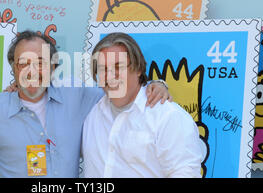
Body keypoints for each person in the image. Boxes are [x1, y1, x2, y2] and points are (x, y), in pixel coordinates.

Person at [0, 31, 171, 178]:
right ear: (14, 68)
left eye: (40, 63)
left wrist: (154, 84)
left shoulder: (76, 97)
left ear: (53, 67)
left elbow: (116, 89)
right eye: (23, 64)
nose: (32, 71)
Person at [82, 32, 203, 178]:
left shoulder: (167, 116)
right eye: (103, 69)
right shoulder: (91, 111)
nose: (110, 76)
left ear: (138, 69)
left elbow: (185, 173)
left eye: (118, 67)